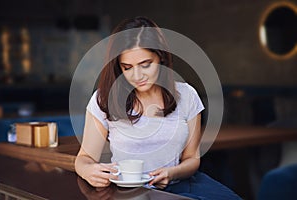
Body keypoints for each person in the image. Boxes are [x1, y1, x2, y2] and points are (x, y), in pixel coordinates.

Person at [75, 16, 241, 199]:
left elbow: (192, 159)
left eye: (145, 65)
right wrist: (87, 171)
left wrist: (172, 173)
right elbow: (84, 159)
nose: (137, 75)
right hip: (129, 193)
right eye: (127, 67)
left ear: (161, 57)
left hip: (182, 185)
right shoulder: (104, 99)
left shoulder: (187, 96)